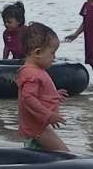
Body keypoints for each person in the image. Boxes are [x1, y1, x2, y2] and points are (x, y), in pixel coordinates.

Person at [16, 22, 69, 153]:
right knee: (64, 153)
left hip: (38, 126)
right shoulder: (32, 74)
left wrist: (53, 95)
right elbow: (28, 98)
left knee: (39, 153)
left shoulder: (34, 71)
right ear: (38, 52)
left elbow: (37, 94)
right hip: (37, 128)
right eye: (52, 53)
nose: (54, 57)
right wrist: (48, 115)